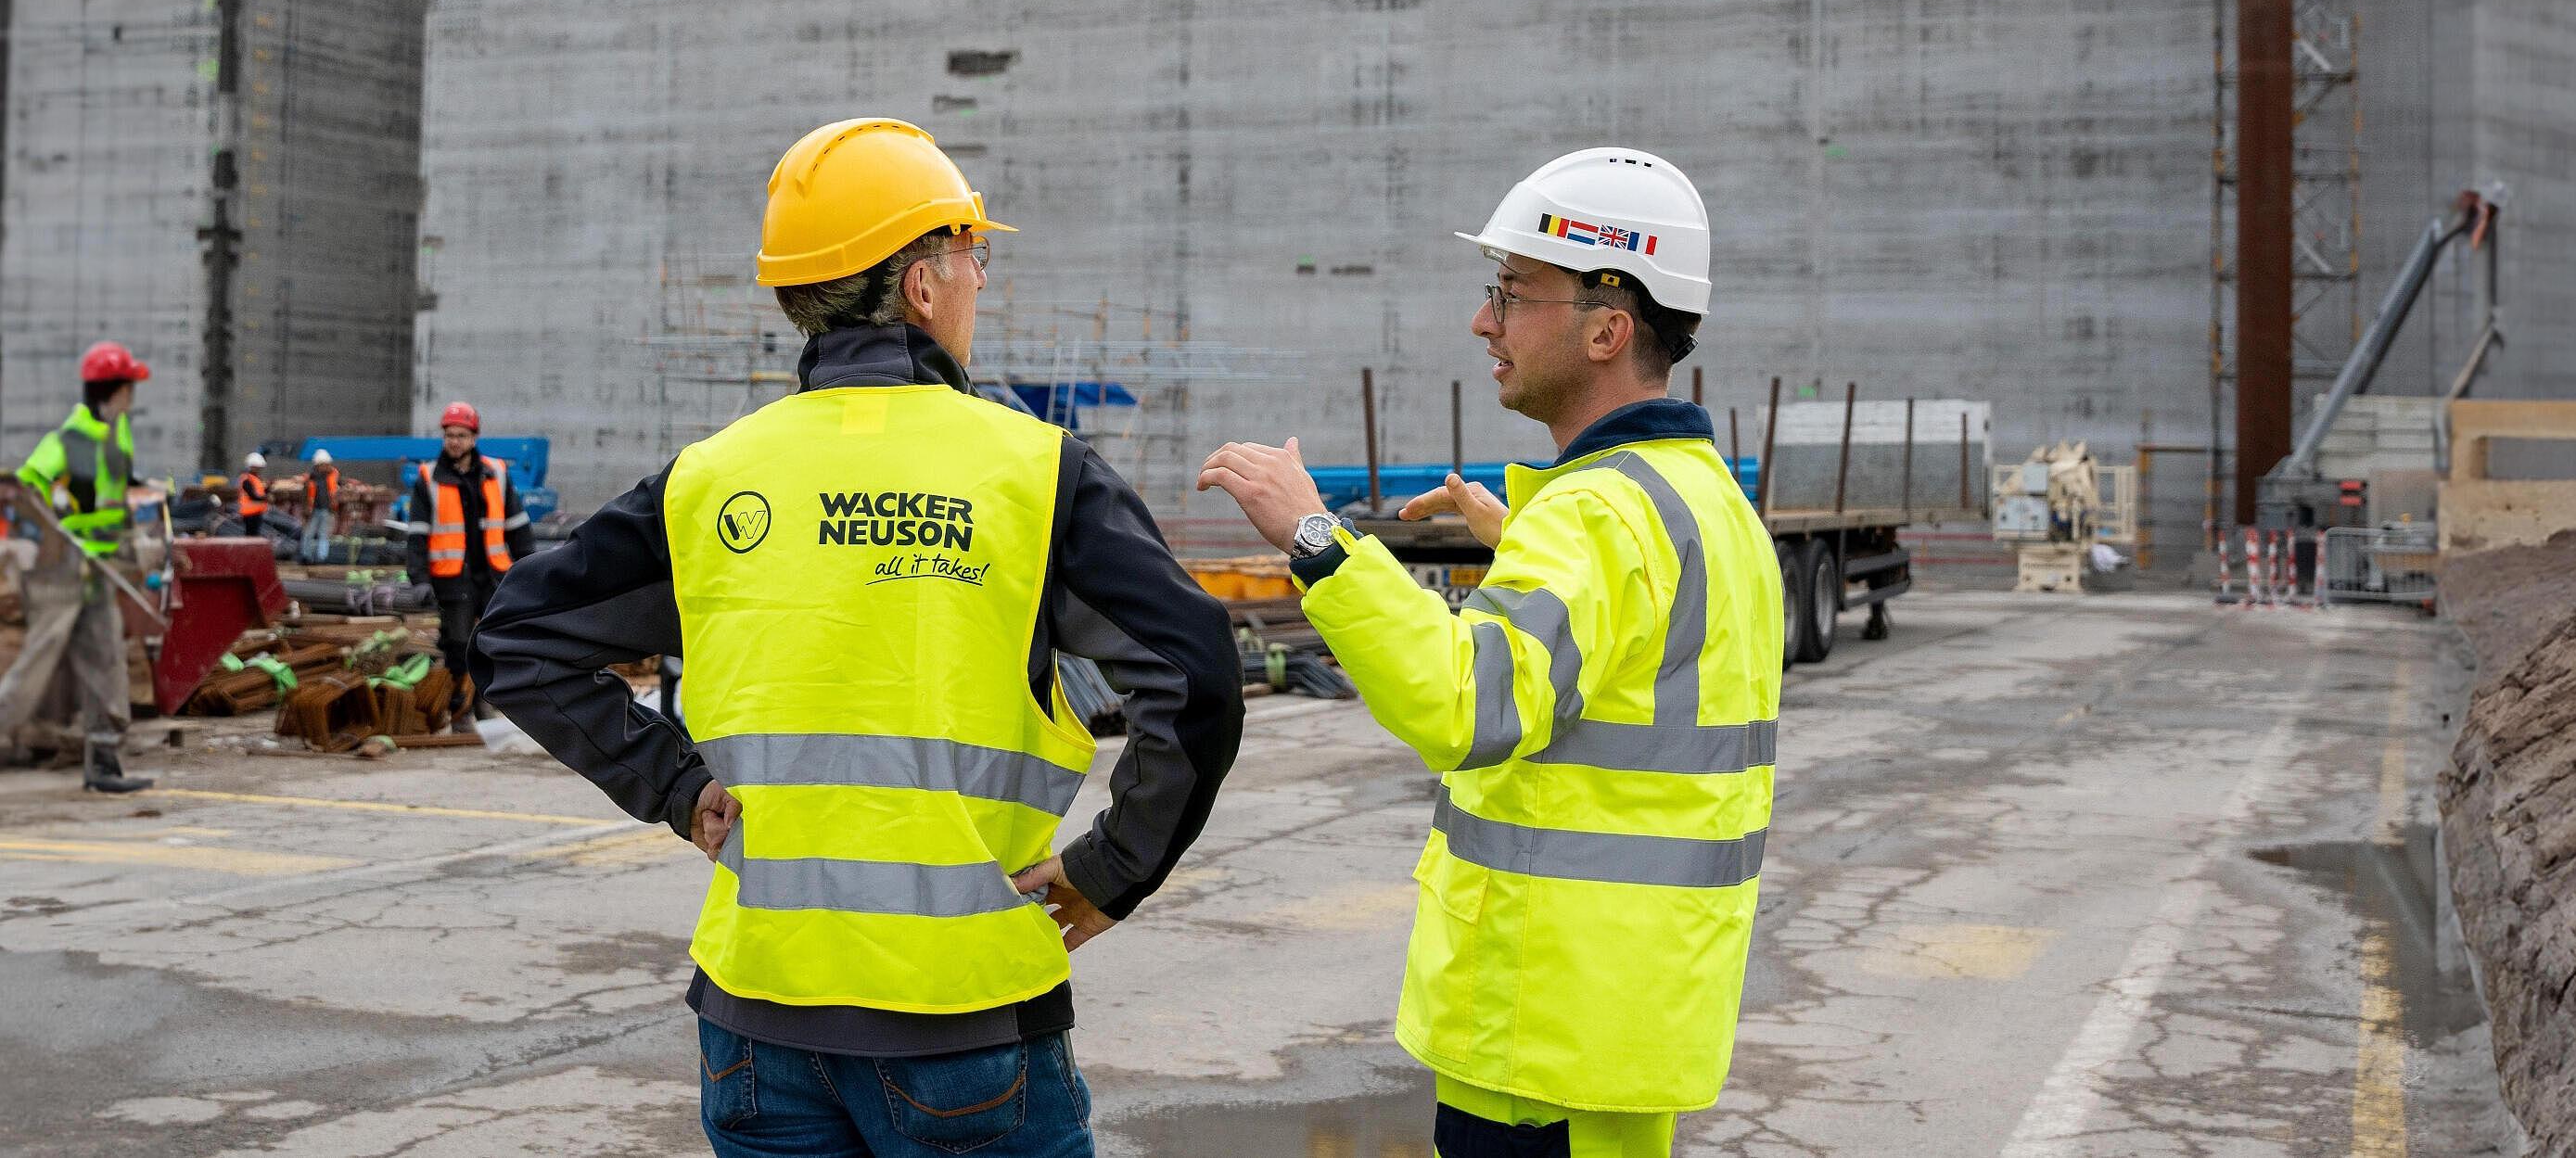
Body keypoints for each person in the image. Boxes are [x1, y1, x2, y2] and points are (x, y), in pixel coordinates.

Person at [475, 118, 1244, 1158]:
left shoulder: (709, 479)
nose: (981, 280)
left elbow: (518, 637)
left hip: (754, 1021)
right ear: (921, 284)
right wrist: (1112, 870)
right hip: (963, 1022)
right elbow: (1195, 676)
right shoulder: (1035, 474)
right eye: (973, 255)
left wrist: (672, 784)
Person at [1198, 147, 1782, 1158]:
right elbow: (1630, 663)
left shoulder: (1594, 515)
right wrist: (1520, 537)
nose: (1484, 320)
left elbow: (1467, 704)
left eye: (1512, 293)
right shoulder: (1703, 499)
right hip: (1629, 1016)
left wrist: (1315, 538)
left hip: (1539, 1033)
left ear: (1606, 328)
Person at [0, 340, 159, 792]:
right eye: (129, 387)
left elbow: (114, 486)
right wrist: (57, 519)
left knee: (107, 660)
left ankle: (103, 765)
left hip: (99, 566)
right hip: (64, 568)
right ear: (116, 390)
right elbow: (25, 487)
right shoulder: (67, 441)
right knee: (37, 662)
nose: (132, 396)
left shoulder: (117, 432)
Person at [405, 405, 532, 732]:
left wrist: (530, 570)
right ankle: (459, 709)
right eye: (449, 435)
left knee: (494, 643)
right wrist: (419, 579)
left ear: (474, 438)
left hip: (492, 576)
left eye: (461, 435)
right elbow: (417, 535)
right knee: (458, 645)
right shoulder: (429, 477)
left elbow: (517, 526)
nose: (454, 441)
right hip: (453, 578)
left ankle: (484, 705)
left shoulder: (496, 472)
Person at [301, 449, 341, 562]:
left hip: (326, 510)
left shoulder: (332, 477)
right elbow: (305, 495)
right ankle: (306, 556)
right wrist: (306, 509)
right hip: (313, 510)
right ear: (318, 465)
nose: (327, 467)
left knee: (324, 535)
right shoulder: (311, 479)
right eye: (324, 465)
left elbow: (335, 491)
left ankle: (322, 557)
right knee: (308, 534)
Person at [236, 453, 271, 538]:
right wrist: (266, 498)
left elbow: (260, 492)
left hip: (257, 512)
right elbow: (252, 496)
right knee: (250, 536)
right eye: (257, 467)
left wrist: (268, 488)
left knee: (254, 535)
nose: (259, 470)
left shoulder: (255, 479)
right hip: (249, 513)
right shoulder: (246, 479)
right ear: (251, 467)